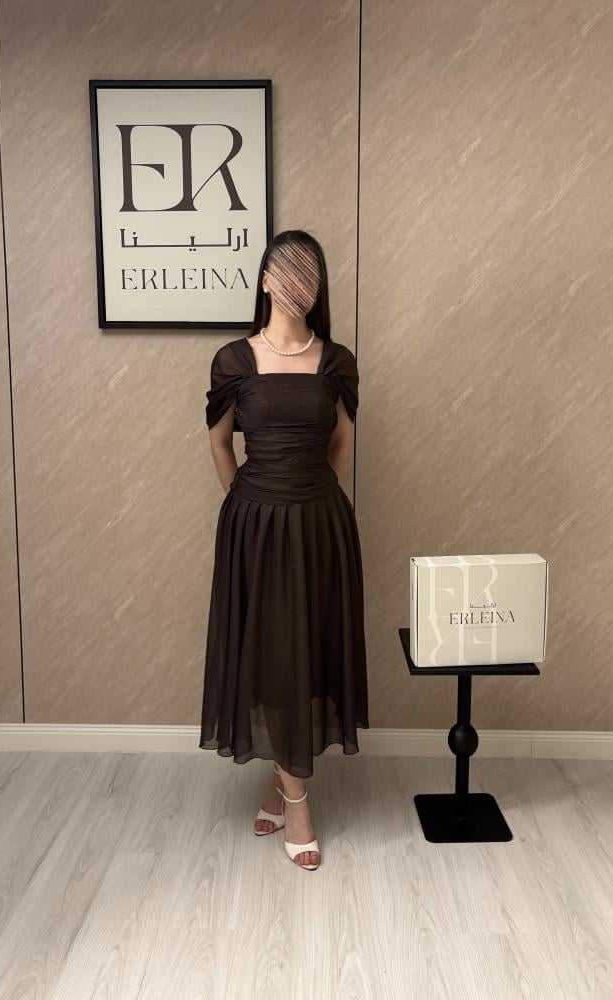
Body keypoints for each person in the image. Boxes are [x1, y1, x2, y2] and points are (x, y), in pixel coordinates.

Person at [199, 230, 369, 871]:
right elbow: (220, 444)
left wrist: (310, 495)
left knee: (309, 650)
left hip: (321, 523)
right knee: (272, 653)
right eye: (286, 270)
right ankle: (298, 803)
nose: (298, 282)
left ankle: (281, 785)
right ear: (266, 280)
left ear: (318, 287)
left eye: (310, 272)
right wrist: (250, 502)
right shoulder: (233, 361)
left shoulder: (337, 362)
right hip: (254, 526)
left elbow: (342, 445)